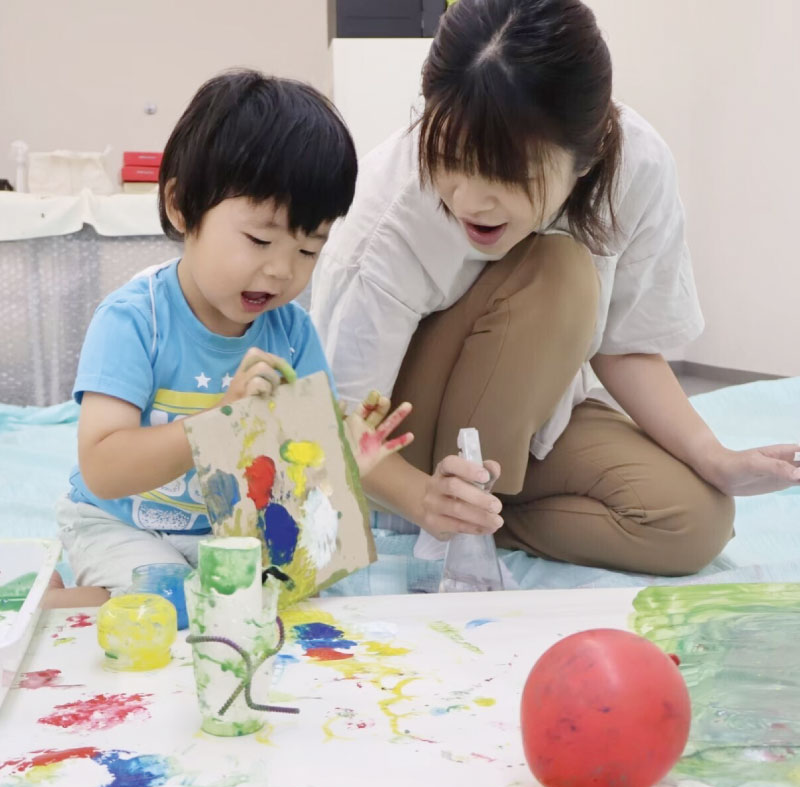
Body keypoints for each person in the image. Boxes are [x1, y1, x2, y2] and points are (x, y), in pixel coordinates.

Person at [311, 0, 800, 577]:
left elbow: (625, 344)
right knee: (560, 273)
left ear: (587, 156)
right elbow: (337, 421)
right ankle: (443, 513)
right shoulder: (390, 217)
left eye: (505, 171)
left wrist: (715, 458)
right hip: (397, 448)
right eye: (449, 157)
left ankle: (474, 517)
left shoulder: (638, 168)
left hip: (526, 421)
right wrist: (419, 494)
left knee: (693, 523)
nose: (469, 198)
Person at [46, 70, 411, 608]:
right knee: (170, 603)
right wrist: (219, 420)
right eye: (260, 238)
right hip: (124, 524)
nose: (283, 269)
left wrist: (346, 460)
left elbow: (299, 486)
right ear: (180, 206)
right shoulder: (135, 320)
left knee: (276, 599)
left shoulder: (291, 334)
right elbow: (103, 468)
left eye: (309, 249)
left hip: (227, 536)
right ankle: (47, 603)